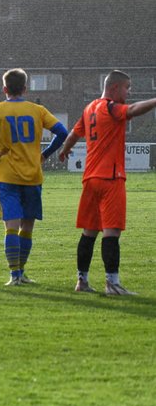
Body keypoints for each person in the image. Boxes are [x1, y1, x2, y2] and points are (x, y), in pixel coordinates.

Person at [59, 70, 156, 295]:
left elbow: (73, 134)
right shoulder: (111, 108)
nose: (128, 92)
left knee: (89, 232)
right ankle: (112, 283)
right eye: (126, 88)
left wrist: (65, 150)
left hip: (91, 178)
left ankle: (82, 281)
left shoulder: (89, 109)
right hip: (111, 178)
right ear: (114, 88)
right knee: (111, 232)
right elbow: (133, 110)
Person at [0, 68, 68, 286]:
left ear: (4, 89)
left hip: (7, 176)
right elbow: (62, 132)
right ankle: (21, 272)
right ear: (25, 88)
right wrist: (45, 154)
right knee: (27, 228)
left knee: (11, 227)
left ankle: (14, 275)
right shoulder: (38, 110)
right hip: (33, 176)